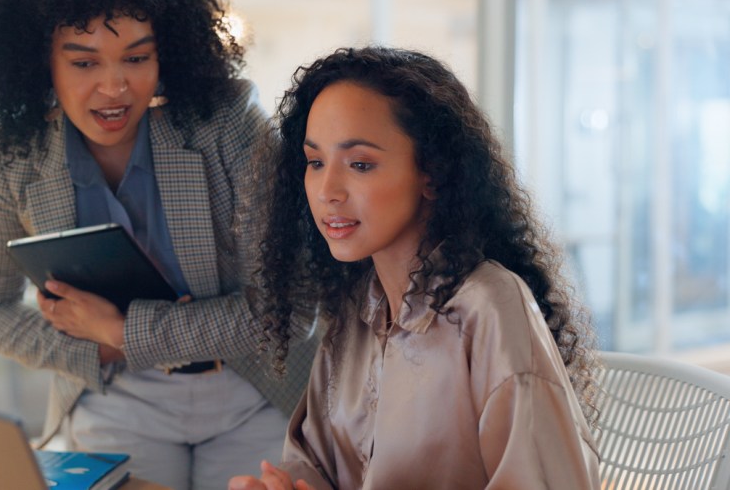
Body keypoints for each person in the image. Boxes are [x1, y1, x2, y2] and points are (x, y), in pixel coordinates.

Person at [0, 0, 318, 489]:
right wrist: (96, 346)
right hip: (118, 395)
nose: (114, 86)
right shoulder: (20, 154)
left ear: (164, 56)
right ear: (42, 64)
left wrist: (124, 330)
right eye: (84, 62)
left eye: (136, 58)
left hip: (254, 391)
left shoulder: (229, 126)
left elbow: (290, 306)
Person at [229, 46, 601, 490]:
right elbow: (315, 462)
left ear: (432, 174)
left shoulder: (489, 307)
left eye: (360, 164)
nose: (327, 190)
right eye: (315, 162)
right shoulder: (355, 310)